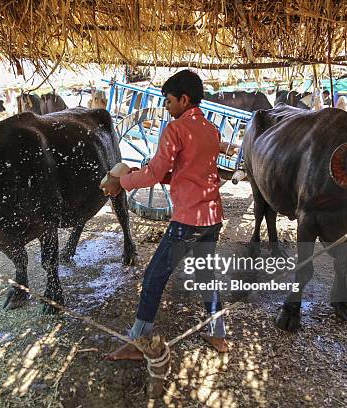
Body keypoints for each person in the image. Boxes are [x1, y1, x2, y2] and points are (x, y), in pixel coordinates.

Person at [102, 70, 231, 361]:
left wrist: (121, 182)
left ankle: (139, 341)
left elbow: (156, 172)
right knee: (206, 275)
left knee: (153, 277)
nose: (167, 107)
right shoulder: (211, 130)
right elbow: (191, 172)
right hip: (212, 216)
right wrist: (153, 176)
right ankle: (218, 334)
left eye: (169, 101)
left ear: (184, 99)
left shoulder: (175, 129)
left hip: (188, 219)